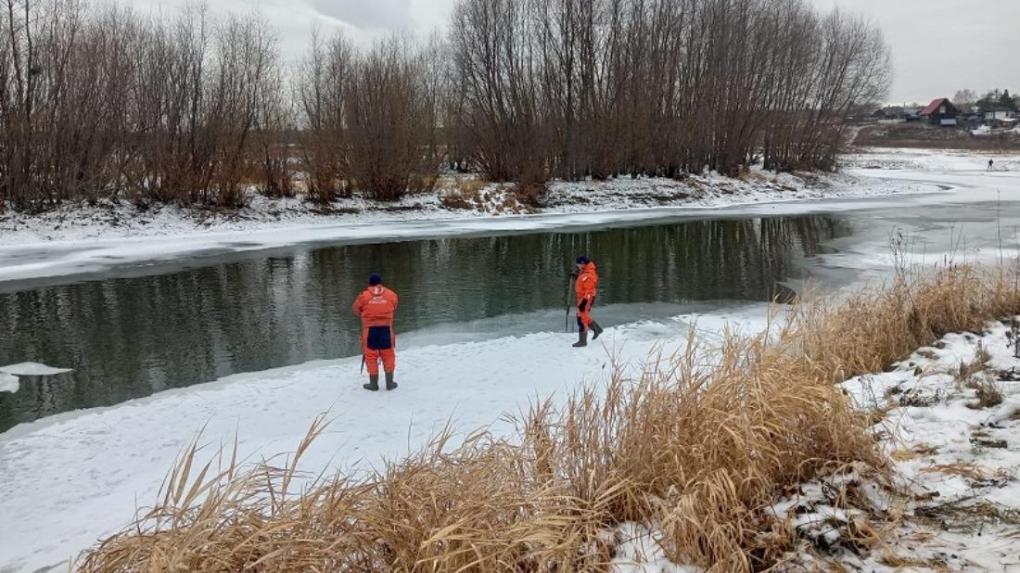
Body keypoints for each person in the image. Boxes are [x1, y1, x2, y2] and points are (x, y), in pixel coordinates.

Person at [352, 273, 399, 391]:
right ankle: (390, 383)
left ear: (369, 283)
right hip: (386, 330)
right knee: (388, 355)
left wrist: (366, 316)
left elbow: (356, 309)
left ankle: (373, 384)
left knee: (371, 356)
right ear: (380, 283)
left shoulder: (364, 296)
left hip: (370, 330)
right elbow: (394, 305)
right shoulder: (391, 294)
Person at [572, 256, 603, 347]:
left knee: (581, 318)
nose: (577, 266)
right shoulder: (585, 270)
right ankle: (597, 329)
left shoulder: (589, 275)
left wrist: (584, 303)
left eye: (578, 264)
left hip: (586, 298)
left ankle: (583, 341)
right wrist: (576, 276)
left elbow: (589, 290)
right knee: (582, 316)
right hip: (582, 297)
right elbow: (582, 280)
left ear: (582, 264)